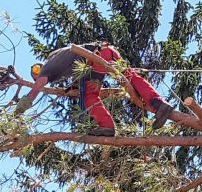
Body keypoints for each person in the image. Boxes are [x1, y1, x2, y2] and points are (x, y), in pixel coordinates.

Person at [15, 42, 174, 136]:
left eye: (36, 73)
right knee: (131, 77)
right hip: (107, 51)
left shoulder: (48, 67)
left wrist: (22, 107)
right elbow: (78, 68)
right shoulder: (60, 60)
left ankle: (107, 126)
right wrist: (76, 86)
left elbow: (39, 85)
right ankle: (160, 106)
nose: (37, 76)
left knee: (89, 96)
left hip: (97, 56)